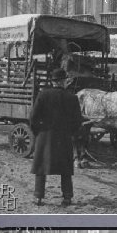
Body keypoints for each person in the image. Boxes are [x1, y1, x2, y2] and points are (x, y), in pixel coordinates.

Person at [30, 68, 82, 207]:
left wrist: (39, 133)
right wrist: (69, 133)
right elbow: (78, 122)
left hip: (44, 136)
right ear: (63, 81)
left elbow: (33, 118)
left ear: (53, 82)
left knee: (41, 167)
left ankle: (38, 197)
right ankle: (67, 197)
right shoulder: (72, 97)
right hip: (64, 138)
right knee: (65, 169)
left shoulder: (43, 95)